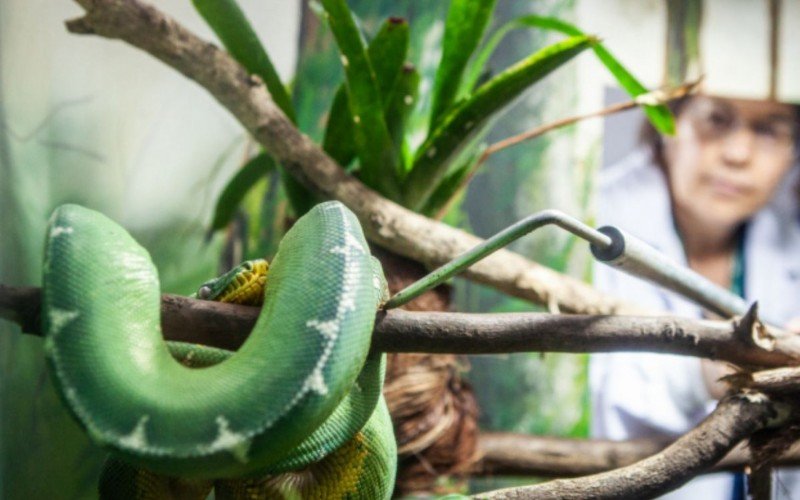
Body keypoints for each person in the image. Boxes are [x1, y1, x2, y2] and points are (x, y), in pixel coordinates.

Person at [590, 94, 800, 499]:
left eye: (770, 129)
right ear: (665, 122)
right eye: (716, 119)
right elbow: (585, 393)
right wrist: (712, 371)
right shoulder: (591, 223)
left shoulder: (789, 243)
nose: (738, 154)